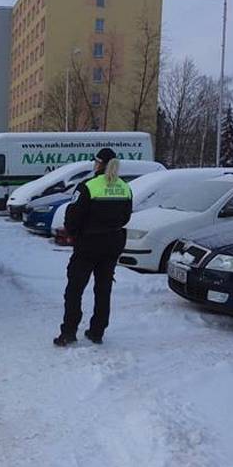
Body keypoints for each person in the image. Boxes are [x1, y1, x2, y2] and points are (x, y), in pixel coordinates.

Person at [54, 148, 133, 347]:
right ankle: (97, 331)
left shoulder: (87, 186)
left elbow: (72, 217)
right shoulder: (125, 187)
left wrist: (74, 233)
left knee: (75, 290)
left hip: (88, 245)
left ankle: (69, 332)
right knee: (103, 289)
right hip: (112, 243)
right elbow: (126, 217)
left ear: (98, 164)